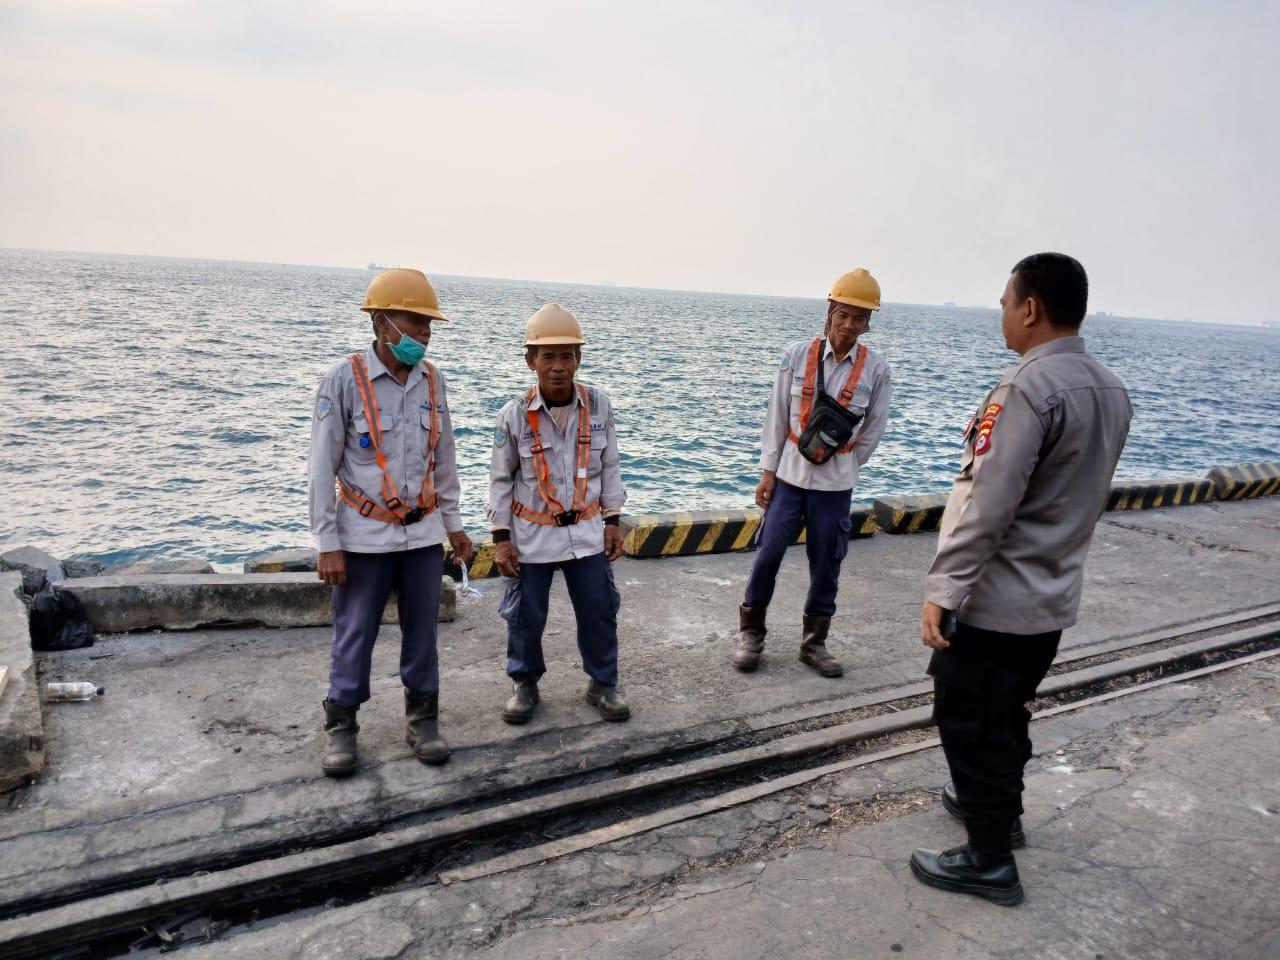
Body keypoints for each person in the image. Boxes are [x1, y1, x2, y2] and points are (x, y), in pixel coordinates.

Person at [910, 253, 1132, 905]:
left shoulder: (1027, 389)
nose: (1002, 314)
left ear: (1030, 308)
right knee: (1005, 713)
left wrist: (944, 588)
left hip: (997, 602)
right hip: (1051, 597)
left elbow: (989, 500)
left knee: (968, 719)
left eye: (1006, 303)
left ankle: (989, 861)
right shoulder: (1110, 389)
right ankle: (996, 814)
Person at [308, 268, 474, 777]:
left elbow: (443, 458)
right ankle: (341, 725)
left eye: (429, 324)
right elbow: (321, 467)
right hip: (362, 537)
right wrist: (327, 542)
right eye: (415, 321)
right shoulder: (343, 379)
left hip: (422, 535)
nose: (425, 332)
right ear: (382, 323)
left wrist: (454, 526)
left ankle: (422, 719)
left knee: (422, 632)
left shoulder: (432, 380)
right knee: (354, 632)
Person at [734, 268, 893, 677]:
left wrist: (845, 463)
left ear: (868, 323)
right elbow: (775, 416)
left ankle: (814, 643)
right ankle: (751, 634)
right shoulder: (796, 355)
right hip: (789, 479)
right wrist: (767, 472)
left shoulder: (876, 369)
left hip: (835, 487)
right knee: (767, 554)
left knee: (826, 564)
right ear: (829, 312)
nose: (849, 324)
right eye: (843, 314)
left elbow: (874, 428)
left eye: (859, 318)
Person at [487, 303, 629, 724]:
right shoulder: (513, 415)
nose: (558, 366)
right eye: (547, 356)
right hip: (532, 536)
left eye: (567, 355)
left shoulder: (599, 406)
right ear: (530, 360)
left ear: (579, 358)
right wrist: (501, 539)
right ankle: (524, 683)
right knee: (525, 616)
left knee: (599, 609)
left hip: (586, 533)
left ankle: (603, 683)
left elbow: (610, 467)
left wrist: (613, 521)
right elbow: (500, 479)